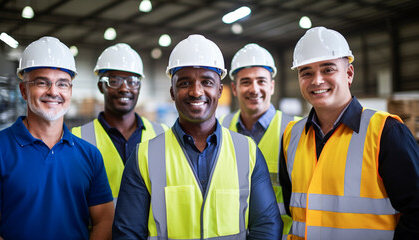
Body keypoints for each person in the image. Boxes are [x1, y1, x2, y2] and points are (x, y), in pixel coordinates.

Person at [113, 34, 283, 239]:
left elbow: (267, 226)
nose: (196, 92)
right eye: (185, 83)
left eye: (207, 82)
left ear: (220, 90)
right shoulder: (144, 156)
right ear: (172, 92)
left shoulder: (247, 151)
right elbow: (127, 234)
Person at [279, 26, 419, 239]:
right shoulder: (291, 136)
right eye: (306, 72)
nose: (316, 80)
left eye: (328, 69)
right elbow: (295, 210)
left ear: (349, 73)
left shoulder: (385, 132)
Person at [0, 36, 114, 240]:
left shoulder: (90, 155)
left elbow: (105, 221)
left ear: (70, 91)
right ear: (23, 90)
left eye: (62, 84)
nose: (53, 92)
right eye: (42, 82)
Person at [72, 43, 167, 205]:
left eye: (132, 81)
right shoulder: (77, 138)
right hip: (99, 230)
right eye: (114, 81)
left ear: (139, 87)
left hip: (151, 231)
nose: (124, 88)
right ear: (100, 86)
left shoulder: (162, 134)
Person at [220, 43, 299, 239]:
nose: (254, 89)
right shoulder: (219, 129)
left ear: (271, 86)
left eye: (261, 81)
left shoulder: (297, 131)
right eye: (246, 82)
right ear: (235, 88)